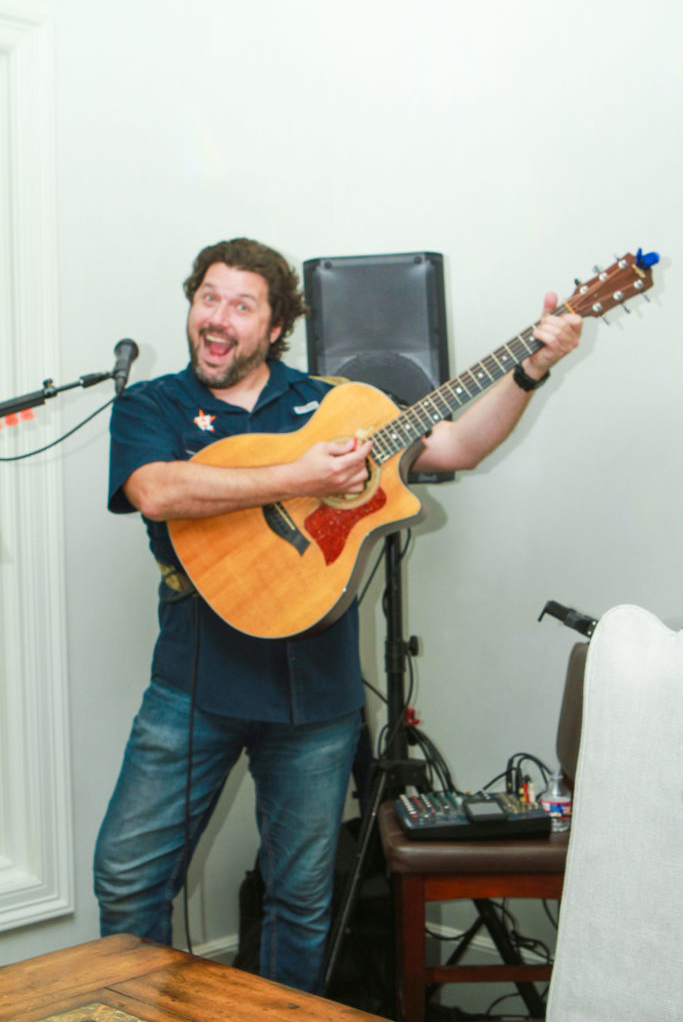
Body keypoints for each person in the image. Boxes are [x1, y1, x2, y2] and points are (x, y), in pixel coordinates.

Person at [94, 237, 582, 994]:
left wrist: (528, 370)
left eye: (240, 305)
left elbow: (456, 445)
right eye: (207, 299)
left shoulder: (334, 404)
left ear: (276, 326)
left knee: (302, 900)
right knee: (127, 878)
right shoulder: (150, 404)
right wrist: (299, 473)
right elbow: (156, 491)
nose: (216, 319)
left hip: (316, 697)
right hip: (194, 684)